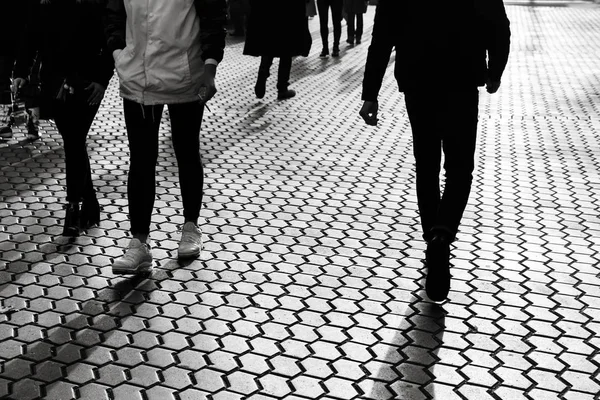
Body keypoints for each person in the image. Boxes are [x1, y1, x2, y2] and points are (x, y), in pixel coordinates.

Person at [360, 0, 510, 301]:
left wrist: (370, 94)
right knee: (459, 169)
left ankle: (432, 238)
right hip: (462, 77)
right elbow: (498, 25)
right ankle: (442, 234)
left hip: (418, 79)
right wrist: (495, 71)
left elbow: (383, 37)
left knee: (426, 164)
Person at [104, 0, 227, 274]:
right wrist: (118, 53)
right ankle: (139, 242)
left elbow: (213, 14)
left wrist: (210, 67)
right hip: (138, 77)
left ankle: (191, 226)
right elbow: (113, 12)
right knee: (141, 159)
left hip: (185, 76)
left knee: (186, 151)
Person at [12, 0, 114, 236]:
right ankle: (88, 204)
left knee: (74, 140)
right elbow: (31, 34)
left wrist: (102, 79)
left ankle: (74, 207)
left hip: (88, 84)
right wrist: (21, 72)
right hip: (55, 83)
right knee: (74, 141)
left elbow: (111, 38)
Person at [244, 0, 312, 100]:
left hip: (267, 10)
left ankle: (263, 71)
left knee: (269, 45)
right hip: (290, 11)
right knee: (287, 50)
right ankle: (282, 88)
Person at [0, 0, 41, 141]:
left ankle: (28, 122)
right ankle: (27, 123)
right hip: (14, 29)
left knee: (29, 78)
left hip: (24, 28)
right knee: (7, 77)